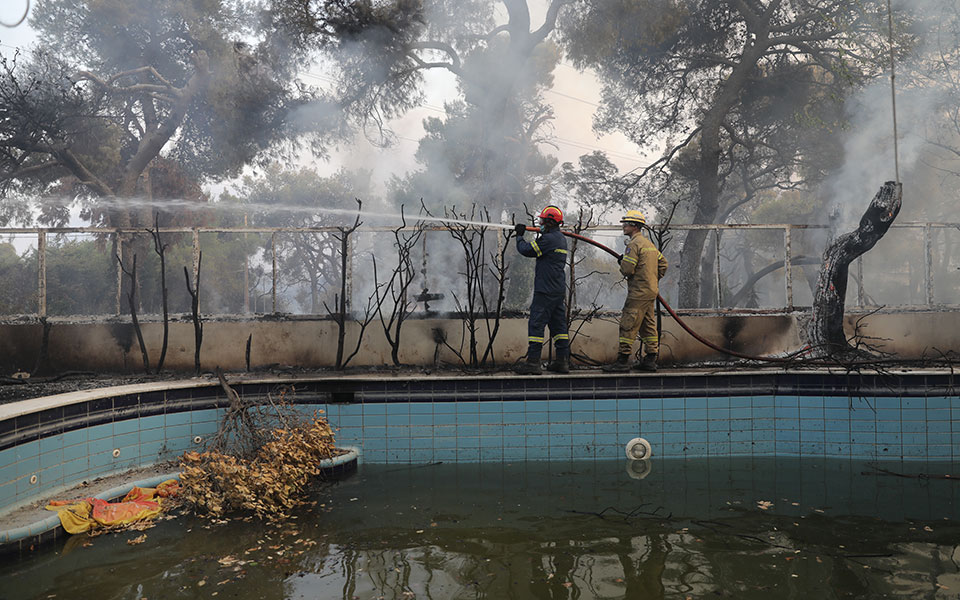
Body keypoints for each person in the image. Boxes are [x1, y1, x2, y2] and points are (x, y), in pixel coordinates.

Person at [604, 210, 668, 372]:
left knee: (628, 323)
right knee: (648, 324)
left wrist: (623, 262)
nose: (623, 226)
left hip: (638, 292)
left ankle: (623, 361)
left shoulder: (633, 245)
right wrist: (652, 279)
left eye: (626, 223)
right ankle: (650, 359)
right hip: (649, 290)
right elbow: (663, 264)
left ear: (634, 226)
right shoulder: (648, 244)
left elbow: (627, 269)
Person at [513, 205, 570, 375]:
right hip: (557, 290)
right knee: (559, 327)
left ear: (550, 222)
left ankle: (533, 363)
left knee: (536, 325)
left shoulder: (549, 239)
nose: (540, 223)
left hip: (545, 290)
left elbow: (527, 250)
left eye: (543, 220)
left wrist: (519, 236)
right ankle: (562, 362)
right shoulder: (560, 239)